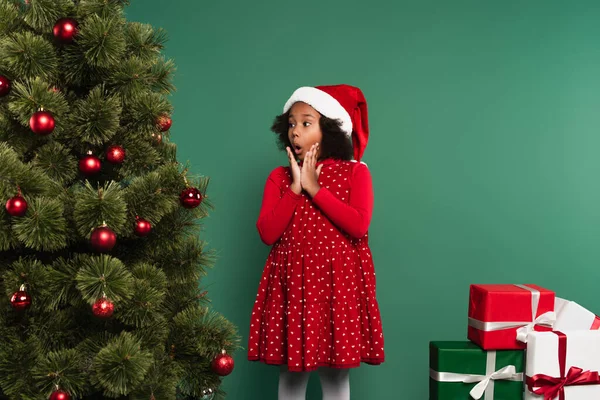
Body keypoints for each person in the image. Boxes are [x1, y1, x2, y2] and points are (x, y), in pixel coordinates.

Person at [248, 84, 385, 400]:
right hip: (293, 287)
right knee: (292, 376)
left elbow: (358, 225)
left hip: (338, 288)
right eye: (292, 123)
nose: (295, 131)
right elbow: (268, 233)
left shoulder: (356, 173)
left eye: (306, 122)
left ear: (331, 129)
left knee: (336, 376)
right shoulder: (279, 178)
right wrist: (296, 189)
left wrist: (315, 188)